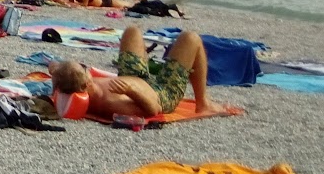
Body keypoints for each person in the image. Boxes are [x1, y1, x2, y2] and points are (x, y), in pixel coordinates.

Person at [50, 26, 227, 119]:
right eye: (84, 68)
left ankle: (147, 67)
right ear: (85, 84)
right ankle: (203, 103)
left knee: (131, 32)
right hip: (160, 93)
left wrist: (56, 70)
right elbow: (153, 110)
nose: (87, 67)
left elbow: (60, 75)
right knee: (191, 38)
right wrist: (132, 91)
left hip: (135, 78)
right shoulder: (111, 103)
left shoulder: (77, 84)